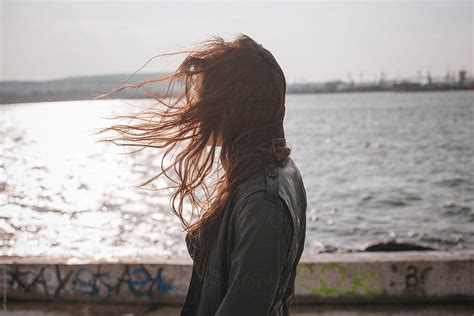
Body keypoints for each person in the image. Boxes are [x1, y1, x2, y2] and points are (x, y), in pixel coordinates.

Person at [94, 34, 307, 315]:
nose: (195, 105)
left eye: (204, 96)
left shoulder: (263, 202)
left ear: (233, 109)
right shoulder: (279, 170)